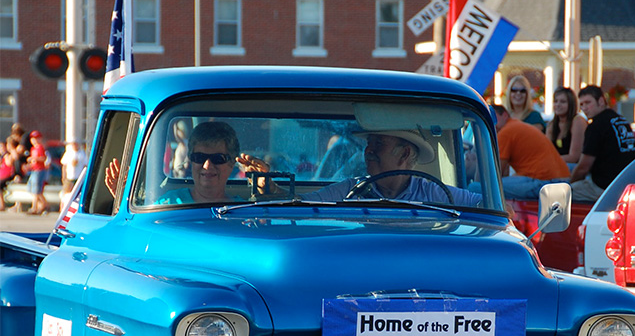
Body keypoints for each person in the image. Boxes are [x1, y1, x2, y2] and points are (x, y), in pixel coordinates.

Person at [105, 120, 271, 203]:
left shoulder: (245, 211)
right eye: (199, 157)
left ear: (231, 164)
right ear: (191, 161)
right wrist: (122, 199)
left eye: (217, 159)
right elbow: (140, 231)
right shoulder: (168, 203)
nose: (207, 166)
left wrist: (268, 189)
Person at [307, 130, 482, 207]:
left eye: (379, 143)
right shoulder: (351, 189)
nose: (368, 150)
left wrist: (500, 205)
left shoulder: (431, 192)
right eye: (369, 143)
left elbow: (481, 204)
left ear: (404, 154)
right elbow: (301, 203)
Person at [476, 104, 569, 200]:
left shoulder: (505, 132)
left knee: (477, 188)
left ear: (505, 115)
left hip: (545, 184)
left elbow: (496, 173)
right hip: (560, 181)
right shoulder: (515, 126)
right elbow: (503, 172)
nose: (490, 122)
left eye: (493, 117)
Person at [570, 85, 635, 202]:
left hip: (604, 187)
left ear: (600, 101)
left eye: (588, 102)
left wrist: (569, 182)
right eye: (581, 104)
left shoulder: (596, 126)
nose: (584, 108)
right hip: (627, 185)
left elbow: (584, 167)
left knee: (563, 194)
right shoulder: (622, 121)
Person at [546, 87, 587, 166]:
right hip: (554, 165)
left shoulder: (578, 121)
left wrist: (549, 160)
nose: (558, 105)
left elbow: (574, 157)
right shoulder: (552, 124)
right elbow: (546, 151)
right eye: (555, 101)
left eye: (563, 102)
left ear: (571, 104)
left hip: (572, 166)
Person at [26, 131, 49, 215]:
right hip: (34, 170)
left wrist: (34, 158)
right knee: (32, 189)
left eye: (36, 138)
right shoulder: (33, 148)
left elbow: (43, 158)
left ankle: (34, 207)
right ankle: (44, 205)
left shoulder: (40, 148)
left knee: (36, 190)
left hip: (39, 170)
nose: (34, 140)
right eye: (33, 139)